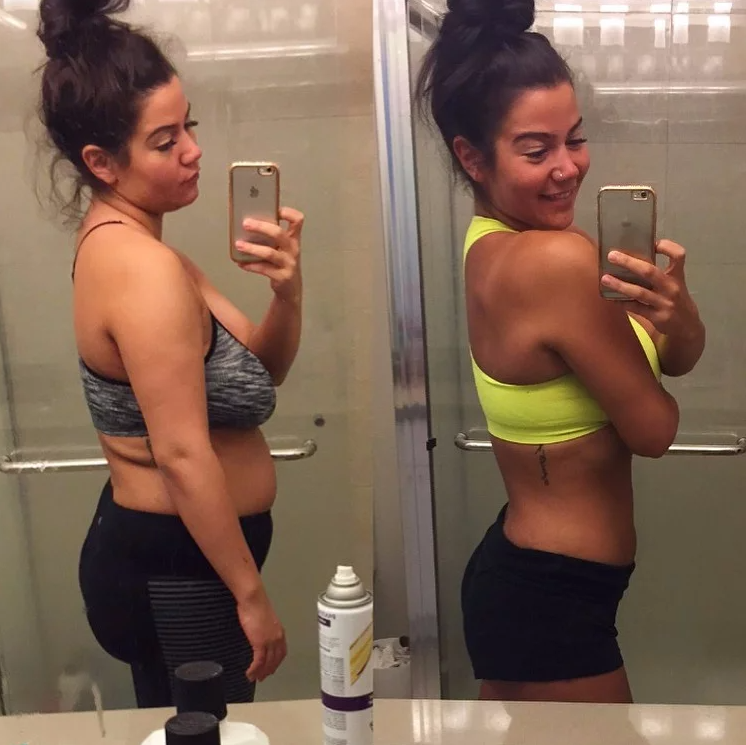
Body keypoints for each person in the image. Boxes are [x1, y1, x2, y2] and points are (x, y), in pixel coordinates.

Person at [416, 0, 705, 703]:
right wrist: (653, 352)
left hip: (538, 583)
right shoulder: (553, 261)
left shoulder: (501, 241)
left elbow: (675, 356)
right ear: (472, 157)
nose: (568, 167)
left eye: (574, 139)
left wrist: (678, 311)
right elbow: (654, 430)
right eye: (536, 150)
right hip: (550, 597)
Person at [36, 0, 304, 707]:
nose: (192, 150)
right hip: (178, 570)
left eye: (190, 126)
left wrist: (287, 292)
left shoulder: (152, 254)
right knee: (206, 733)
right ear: (101, 162)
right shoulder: (141, 268)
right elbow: (182, 454)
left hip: (180, 560)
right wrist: (251, 595)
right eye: (164, 141)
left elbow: (263, 375)